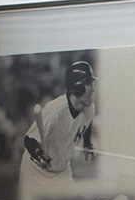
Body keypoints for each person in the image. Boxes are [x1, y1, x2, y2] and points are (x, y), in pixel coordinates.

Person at [21, 60, 96, 190]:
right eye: (89, 84)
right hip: (36, 171)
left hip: (61, 170)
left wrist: (87, 143)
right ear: (77, 87)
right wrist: (39, 154)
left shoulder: (89, 109)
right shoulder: (55, 111)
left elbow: (86, 124)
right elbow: (29, 139)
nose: (93, 89)